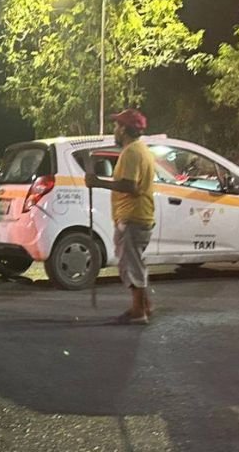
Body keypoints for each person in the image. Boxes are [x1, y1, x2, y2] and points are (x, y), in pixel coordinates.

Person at [85, 108, 156, 324]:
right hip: (139, 215)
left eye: (117, 126)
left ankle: (138, 311)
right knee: (135, 262)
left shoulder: (132, 152)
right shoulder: (140, 149)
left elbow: (130, 186)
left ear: (124, 129)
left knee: (130, 264)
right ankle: (144, 305)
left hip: (133, 216)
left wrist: (98, 182)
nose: (114, 130)